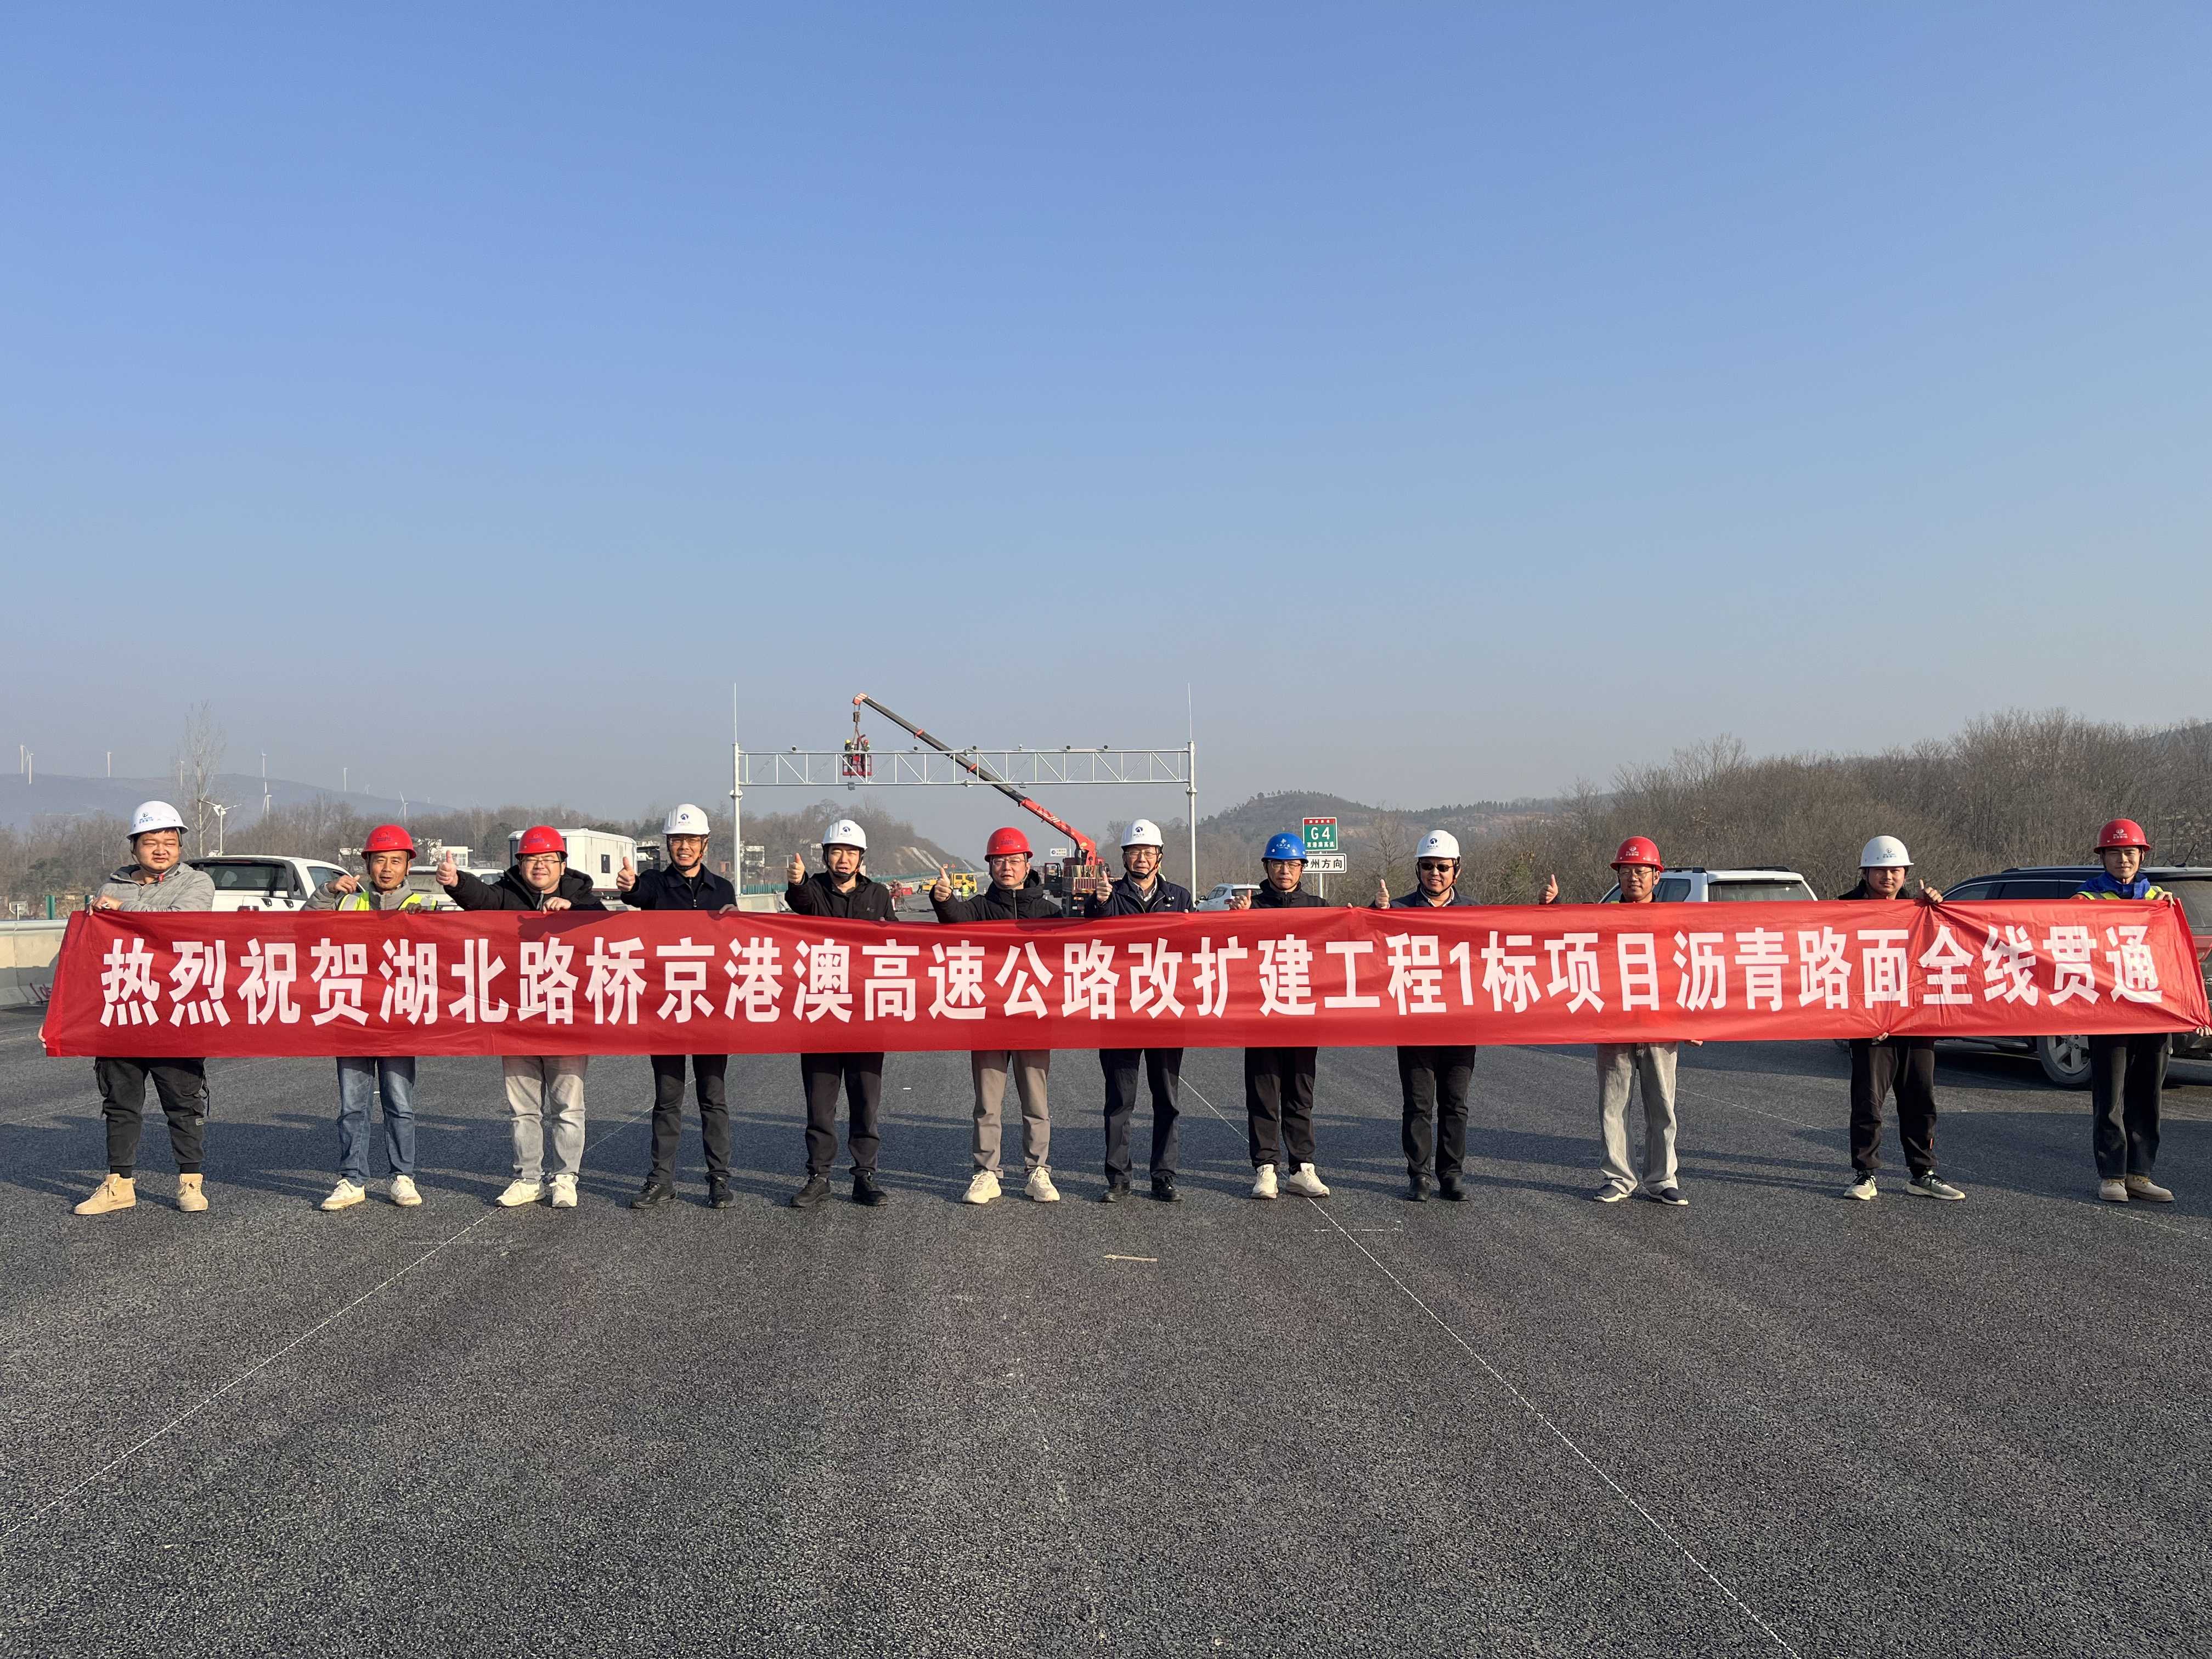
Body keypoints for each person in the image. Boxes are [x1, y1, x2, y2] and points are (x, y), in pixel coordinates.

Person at [1372, 832, 1559, 1201]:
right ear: (1418, 869)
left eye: (1443, 867)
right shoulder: (1398, 909)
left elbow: (1518, 939)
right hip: (1415, 1024)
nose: (1435, 873)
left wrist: (1547, 909)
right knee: (1418, 1105)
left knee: (1455, 1105)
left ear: (1456, 870)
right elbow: (1369, 948)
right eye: (1428, 866)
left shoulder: (1475, 912)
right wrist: (1375, 913)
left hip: (1460, 1026)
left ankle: (1451, 1174)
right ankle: (1419, 1175)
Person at [437, 828, 606, 1209]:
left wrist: (572, 910)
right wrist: (456, 882)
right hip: (516, 1018)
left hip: (565, 1018)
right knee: (523, 1108)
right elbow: (480, 898)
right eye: (532, 859)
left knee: (568, 1107)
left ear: (562, 864)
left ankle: (565, 1178)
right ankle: (528, 1179)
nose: (540, 866)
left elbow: (607, 925)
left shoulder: (582, 897)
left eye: (548, 860)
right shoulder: (506, 894)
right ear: (520, 863)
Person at [74, 802, 219, 1217]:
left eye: (169, 842)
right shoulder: (113, 885)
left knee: (183, 1100)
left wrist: (122, 912)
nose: (160, 849)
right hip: (124, 1007)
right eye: (151, 842)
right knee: (120, 1101)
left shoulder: (197, 883)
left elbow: (181, 922)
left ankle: (190, 1182)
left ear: (180, 847)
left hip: (175, 1008)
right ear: (134, 847)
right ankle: (119, 1184)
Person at [307, 824, 438, 1212]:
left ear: (408, 866)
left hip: (399, 1020)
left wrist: (425, 923)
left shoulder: (423, 904)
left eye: (396, 861)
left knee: (400, 1103)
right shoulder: (348, 902)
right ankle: (352, 1179)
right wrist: (327, 891)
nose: (387, 868)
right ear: (367, 864)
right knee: (352, 1106)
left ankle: (402, 1176)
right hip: (352, 1017)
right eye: (380, 860)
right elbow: (303, 925)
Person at [614, 804, 737, 1210]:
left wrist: (737, 921)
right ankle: (661, 1180)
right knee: (668, 1098)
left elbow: (734, 942)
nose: (684, 847)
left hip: (709, 1010)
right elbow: (637, 893)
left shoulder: (722, 890)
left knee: (712, 1098)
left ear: (704, 844)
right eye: (676, 840)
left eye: (691, 840)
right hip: (666, 1007)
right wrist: (629, 886)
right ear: (668, 844)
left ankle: (719, 1178)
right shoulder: (655, 884)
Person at [932, 826, 1062, 1205]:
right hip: (988, 1018)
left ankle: (1038, 1170)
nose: (1007, 867)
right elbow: (954, 919)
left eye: (1014, 860)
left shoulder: (1049, 912)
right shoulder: (978, 908)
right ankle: (987, 1173)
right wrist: (943, 900)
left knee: (1036, 1102)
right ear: (990, 866)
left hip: (1033, 1018)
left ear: (1028, 864)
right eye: (1000, 861)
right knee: (988, 1103)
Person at [1837, 837, 1963, 1202]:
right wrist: (1861, 1017)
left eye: (1895, 870)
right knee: (1868, 1103)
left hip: (1915, 1020)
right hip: (1870, 1023)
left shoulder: (1921, 909)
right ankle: (1865, 1174)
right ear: (1865, 872)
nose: (1888, 877)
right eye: (1880, 870)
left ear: (1905, 873)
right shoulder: (1843, 910)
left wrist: (1937, 907)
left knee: (1920, 1100)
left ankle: (1923, 1173)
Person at [782, 817, 895, 1209]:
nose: (843, 859)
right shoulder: (813, 890)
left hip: (866, 1014)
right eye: (836, 852)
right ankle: (819, 1176)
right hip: (822, 1012)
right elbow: (801, 903)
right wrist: (797, 883)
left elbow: (897, 942)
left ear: (861, 857)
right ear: (826, 856)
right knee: (820, 1102)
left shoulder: (878, 894)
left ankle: (865, 1176)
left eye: (850, 852)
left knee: (866, 1100)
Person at [1083, 819, 1193, 1202]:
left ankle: (1164, 1176)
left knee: (1167, 1100)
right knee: (1119, 1101)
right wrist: (1098, 904)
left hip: (1166, 1010)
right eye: (1134, 852)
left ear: (1160, 857)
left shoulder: (1179, 897)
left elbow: (1195, 944)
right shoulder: (1109, 896)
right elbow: (1088, 931)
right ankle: (1118, 1178)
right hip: (1121, 1013)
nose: (1141, 859)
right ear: (1125, 857)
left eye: (1148, 852)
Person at [2076, 819, 2182, 1204]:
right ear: (2103, 857)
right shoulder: (2086, 901)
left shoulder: (2158, 899)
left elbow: (2177, 957)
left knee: (2148, 1094)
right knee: (2110, 1096)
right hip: (2109, 1013)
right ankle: (2112, 1175)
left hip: (2153, 1011)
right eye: (2116, 853)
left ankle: (2140, 1173)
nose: (2124, 859)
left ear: (2141, 856)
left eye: (2131, 853)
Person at [1227, 833, 1332, 1199]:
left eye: (1291, 864)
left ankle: (1302, 1168)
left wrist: (1371, 913)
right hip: (1261, 1016)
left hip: (1303, 1016)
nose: (1284, 871)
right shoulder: (1250, 908)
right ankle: (1266, 1168)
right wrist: (1236, 922)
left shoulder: (1320, 908)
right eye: (1277, 864)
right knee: (1264, 1094)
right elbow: (1229, 952)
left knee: (1300, 1095)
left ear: (1302, 868)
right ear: (1266, 867)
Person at [1591, 837, 1692, 1206]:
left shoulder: (1673, 921)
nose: (1633, 877)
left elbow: (1690, 970)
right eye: (1627, 870)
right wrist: (1549, 909)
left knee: (1662, 1108)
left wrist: (1695, 1021)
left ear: (1656, 876)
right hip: (1614, 1027)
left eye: (1641, 871)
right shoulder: (1599, 920)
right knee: (1613, 1106)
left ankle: (1662, 1179)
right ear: (1618, 875)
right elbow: (1561, 946)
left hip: (1661, 1028)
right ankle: (1618, 1177)